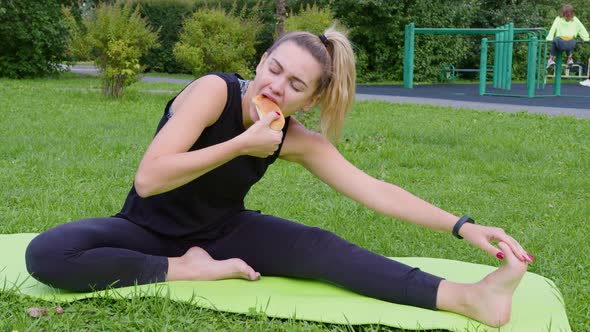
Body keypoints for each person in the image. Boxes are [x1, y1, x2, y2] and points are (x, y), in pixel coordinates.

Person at [25, 26, 534, 328]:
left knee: (325, 249)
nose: (275, 87)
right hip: (145, 228)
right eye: (273, 68)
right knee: (47, 254)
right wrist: (242, 145)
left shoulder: (294, 137)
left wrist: (464, 226)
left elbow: (374, 190)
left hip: (225, 232)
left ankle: (471, 297)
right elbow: (149, 179)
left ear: (309, 100)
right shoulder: (213, 92)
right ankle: (191, 268)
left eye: (295, 85)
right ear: (261, 60)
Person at [546, 4, 589, 68]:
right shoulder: (575, 20)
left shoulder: (558, 19)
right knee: (567, 41)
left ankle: (551, 59)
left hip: (560, 43)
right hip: (572, 43)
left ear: (562, 12)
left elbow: (553, 29)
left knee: (555, 41)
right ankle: (570, 59)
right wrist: (586, 38)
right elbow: (582, 29)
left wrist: (549, 38)